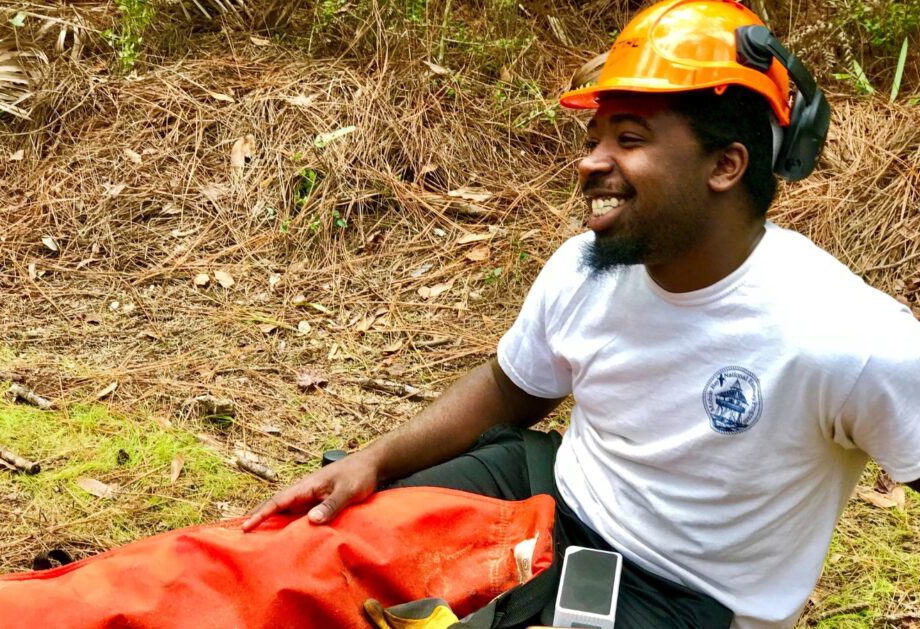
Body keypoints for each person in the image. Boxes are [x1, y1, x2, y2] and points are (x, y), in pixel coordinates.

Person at [243, 1, 920, 627]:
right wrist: (375, 459)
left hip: (683, 596)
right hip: (550, 489)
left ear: (726, 164)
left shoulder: (847, 338)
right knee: (324, 556)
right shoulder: (585, 267)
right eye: (594, 137)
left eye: (628, 138)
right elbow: (510, 388)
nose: (589, 163)